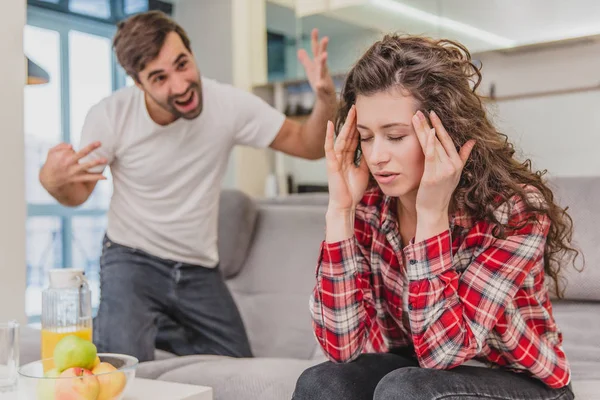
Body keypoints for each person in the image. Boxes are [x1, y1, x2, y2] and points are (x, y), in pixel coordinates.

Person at [38, 11, 337, 362]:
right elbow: (76, 195)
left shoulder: (228, 104)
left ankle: (161, 326)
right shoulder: (111, 116)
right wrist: (51, 181)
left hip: (198, 269)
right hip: (132, 260)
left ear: (192, 53)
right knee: (120, 368)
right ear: (138, 83)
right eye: (160, 78)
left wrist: (326, 98)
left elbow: (308, 144)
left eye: (182, 64)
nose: (180, 85)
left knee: (238, 369)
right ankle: (148, 323)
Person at [292, 35, 579, 400]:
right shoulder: (370, 204)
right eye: (365, 137)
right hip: (419, 369)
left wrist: (431, 216)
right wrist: (341, 211)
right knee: (322, 383)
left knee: (405, 390)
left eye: (395, 136)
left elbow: (442, 351)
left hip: (517, 379)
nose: (377, 156)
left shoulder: (513, 211)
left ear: (444, 130)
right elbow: (341, 347)